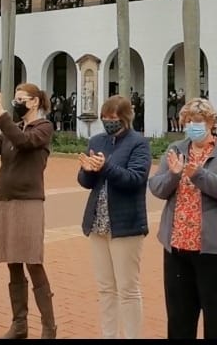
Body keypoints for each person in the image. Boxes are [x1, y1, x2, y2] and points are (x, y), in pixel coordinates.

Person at [148, 98, 217, 340]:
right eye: (189, 121)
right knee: (180, 318)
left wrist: (199, 175)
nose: (193, 125)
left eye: (199, 120)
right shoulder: (176, 149)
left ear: (211, 122)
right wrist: (173, 175)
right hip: (178, 247)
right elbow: (157, 187)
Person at [0, 83, 57, 339]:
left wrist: (2, 115)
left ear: (35, 102)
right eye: (15, 99)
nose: (17, 103)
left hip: (29, 201)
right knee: (12, 262)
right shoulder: (13, 128)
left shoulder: (43, 128)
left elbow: (24, 143)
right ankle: (19, 324)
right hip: (4, 199)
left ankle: (49, 327)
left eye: (22, 99)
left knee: (33, 261)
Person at [77, 95, 152, 339]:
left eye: (112, 117)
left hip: (126, 224)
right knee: (106, 288)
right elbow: (87, 182)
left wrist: (105, 166)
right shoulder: (97, 140)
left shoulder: (138, 143)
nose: (108, 121)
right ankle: (109, 335)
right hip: (98, 223)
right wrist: (88, 171)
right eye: (104, 117)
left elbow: (135, 179)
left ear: (125, 117)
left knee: (127, 289)